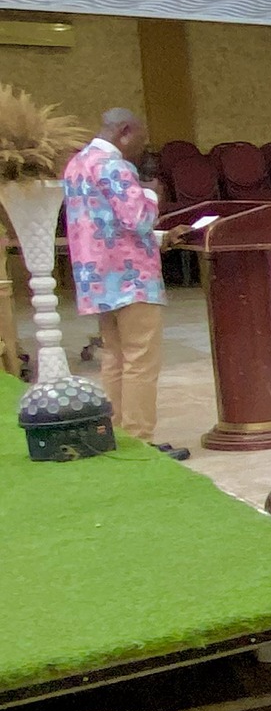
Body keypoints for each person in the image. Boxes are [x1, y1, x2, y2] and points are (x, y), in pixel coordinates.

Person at [61, 108, 188, 457]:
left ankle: (116, 434)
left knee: (114, 357)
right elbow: (138, 218)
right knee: (140, 360)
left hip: (98, 277)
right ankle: (140, 440)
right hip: (132, 280)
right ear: (125, 131)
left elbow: (103, 225)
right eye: (141, 141)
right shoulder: (114, 166)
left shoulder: (77, 165)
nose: (141, 149)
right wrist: (152, 193)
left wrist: (161, 239)